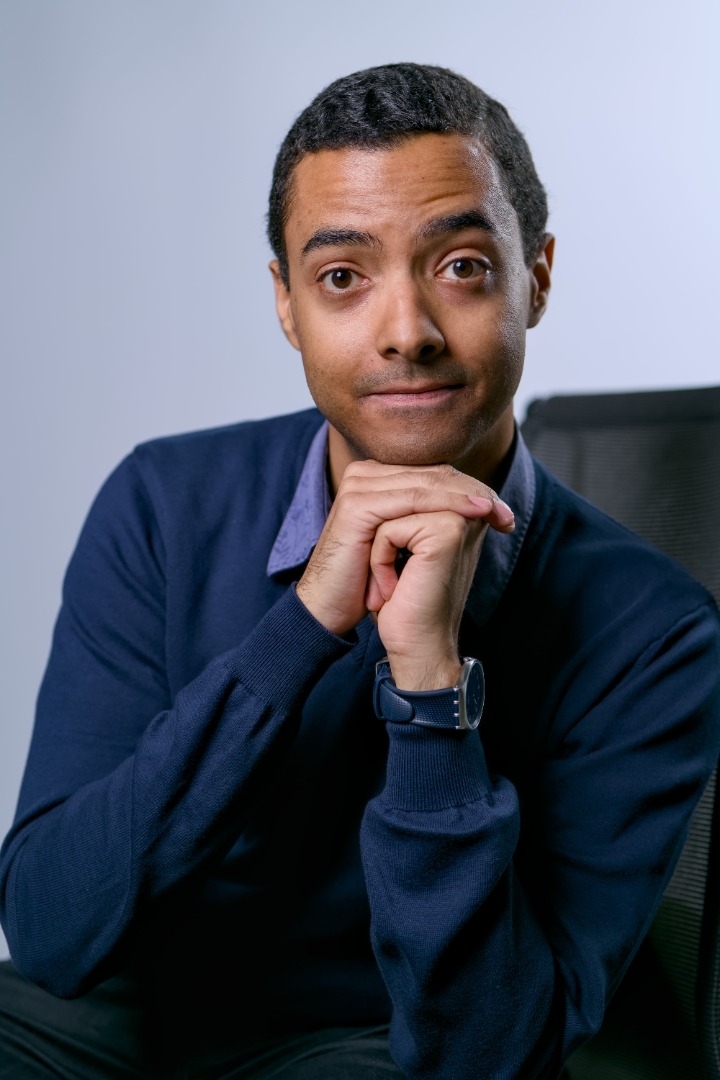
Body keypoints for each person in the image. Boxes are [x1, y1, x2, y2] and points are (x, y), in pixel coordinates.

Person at [0, 62, 718, 1080]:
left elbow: (487, 1053)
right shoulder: (164, 501)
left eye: (461, 266)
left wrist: (430, 687)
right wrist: (301, 629)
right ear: (287, 305)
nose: (406, 333)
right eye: (342, 277)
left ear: (537, 279)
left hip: (380, 1049)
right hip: (130, 1020)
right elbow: (50, 931)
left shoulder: (655, 630)